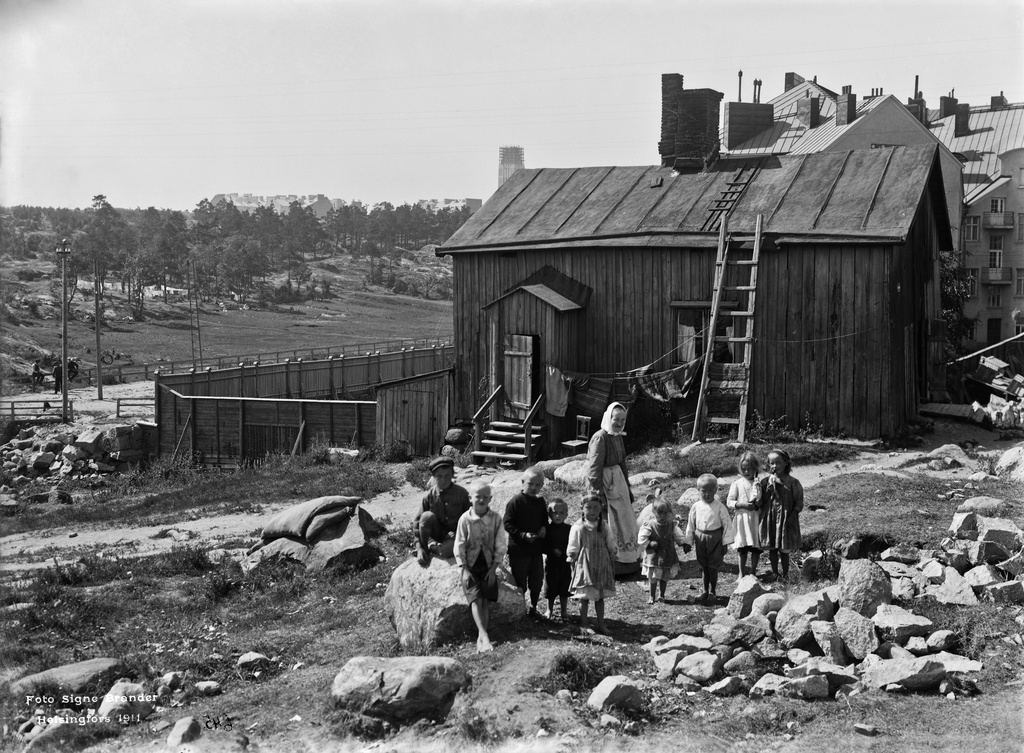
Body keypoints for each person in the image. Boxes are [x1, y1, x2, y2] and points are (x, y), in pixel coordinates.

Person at [583, 402, 640, 575]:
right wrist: (598, 495)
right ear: (609, 418)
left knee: (624, 518)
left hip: (617, 481)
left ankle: (627, 560)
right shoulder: (601, 437)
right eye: (616, 419)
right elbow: (594, 469)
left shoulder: (617, 435)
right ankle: (607, 563)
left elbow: (622, 462)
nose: (619, 423)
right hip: (603, 482)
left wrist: (627, 487)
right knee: (607, 521)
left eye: (623, 420)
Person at [454, 480, 506, 653]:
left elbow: (500, 544)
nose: (482, 500)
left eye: (485, 497)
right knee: (475, 599)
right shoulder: (465, 519)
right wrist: (464, 570)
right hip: (471, 565)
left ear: (490, 498)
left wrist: (494, 569)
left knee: (485, 600)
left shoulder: (496, 519)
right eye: (478, 497)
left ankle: (480, 636)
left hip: (488, 565)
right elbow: (459, 545)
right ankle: (484, 635)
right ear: (470, 498)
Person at [567, 492, 617, 635]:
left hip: (601, 565)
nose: (592, 511)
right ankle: (584, 623)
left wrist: (612, 555)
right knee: (585, 597)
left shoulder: (603, 525)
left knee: (600, 596)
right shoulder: (578, 526)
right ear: (582, 508)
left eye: (596, 508)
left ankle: (601, 623)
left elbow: (610, 543)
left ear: (601, 508)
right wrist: (572, 558)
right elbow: (573, 546)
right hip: (585, 565)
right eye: (589, 507)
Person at [503, 466, 548, 618]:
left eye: (538, 485)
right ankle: (520, 609)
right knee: (520, 581)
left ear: (542, 485)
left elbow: (544, 521)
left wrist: (543, 528)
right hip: (519, 550)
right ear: (523, 482)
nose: (534, 488)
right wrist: (522, 535)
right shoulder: (516, 502)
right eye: (531, 484)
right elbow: (507, 524)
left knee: (537, 579)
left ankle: (533, 607)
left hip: (535, 549)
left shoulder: (541, 502)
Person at [683, 474, 733, 604]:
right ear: (698, 490)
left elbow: (727, 524)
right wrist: (689, 542)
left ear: (715, 490)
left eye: (710, 490)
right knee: (704, 566)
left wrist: (725, 542)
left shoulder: (720, 507)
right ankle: (705, 590)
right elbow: (691, 524)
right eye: (704, 491)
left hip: (715, 538)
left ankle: (713, 591)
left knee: (713, 567)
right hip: (700, 537)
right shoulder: (696, 506)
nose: (707, 494)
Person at [413, 456, 471, 566]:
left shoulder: (462, 494)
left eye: (447, 476)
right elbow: (417, 522)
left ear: (452, 475)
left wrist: (459, 532)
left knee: (448, 551)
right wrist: (419, 546)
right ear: (433, 477)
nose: (443, 480)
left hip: (456, 535)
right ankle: (425, 548)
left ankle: (434, 548)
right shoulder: (429, 496)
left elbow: (470, 517)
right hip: (438, 533)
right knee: (426, 516)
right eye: (439, 476)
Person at [758, 449, 804, 581]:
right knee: (772, 547)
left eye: (778, 463)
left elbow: (799, 502)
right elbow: (762, 501)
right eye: (771, 463)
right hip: (770, 518)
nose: (774, 466)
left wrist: (793, 515)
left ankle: (785, 573)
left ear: (786, 463)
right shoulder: (766, 481)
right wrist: (767, 490)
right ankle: (774, 572)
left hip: (785, 518)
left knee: (784, 548)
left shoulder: (793, 482)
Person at [637, 496, 686, 604]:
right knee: (654, 577)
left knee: (664, 576)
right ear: (654, 512)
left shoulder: (671, 524)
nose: (663, 516)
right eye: (660, 512)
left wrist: (683, 543)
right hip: (654, 556)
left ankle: (662, 595)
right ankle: (651, 595)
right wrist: (649, 543)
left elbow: (677, 535)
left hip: (667, 554)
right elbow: (641, 538)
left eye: (665, 513)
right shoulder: (650, 525)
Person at [727, 451, 763, 578]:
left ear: (755, 468)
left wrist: (758, 502)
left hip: (755, 519)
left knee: (755, 548)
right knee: (742, 548)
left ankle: (753, 572)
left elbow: (761, 501)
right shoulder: (737, 484)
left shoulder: (759, 483)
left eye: (750, 469)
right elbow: (729, 501)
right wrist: (742, 505)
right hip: (742, 519)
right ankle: (741, 573)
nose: (746, 471)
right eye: (744, 469)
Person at [542, 498, 572, 621]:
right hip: (552, 563)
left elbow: (574, 544)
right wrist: (551, 550)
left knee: (565, 586)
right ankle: (549, 609)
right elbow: (543, 545)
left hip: (566, 563)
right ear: (550, 514)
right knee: (551, 586)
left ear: (566, 514)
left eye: (561, 513)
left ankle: (564, 610)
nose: (558, 515)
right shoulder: (547, 529)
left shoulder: (569, 529)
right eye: (555, 513)